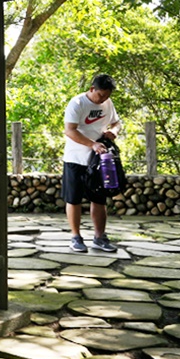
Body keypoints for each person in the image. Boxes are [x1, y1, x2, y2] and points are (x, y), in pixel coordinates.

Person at [63, 74, 122, 253]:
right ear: (92, 89)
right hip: (76, 158)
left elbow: (117, 123)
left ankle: (99, 237)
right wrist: (92, 144)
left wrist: (114, 131)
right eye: (100, 95)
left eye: (107, 96)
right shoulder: (77, 103)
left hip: (99, 160)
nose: (103, 99)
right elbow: (69, 131)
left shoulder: (108, 103)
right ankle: (76, 237)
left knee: (99, 198)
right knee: (73, 199)